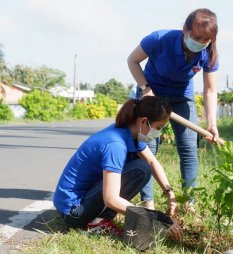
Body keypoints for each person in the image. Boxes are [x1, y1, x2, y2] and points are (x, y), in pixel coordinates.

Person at [53, 96, 183, 241]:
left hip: (82, 199)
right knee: (140, 168)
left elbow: (152, 162)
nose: (158, 133)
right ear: (144, 121)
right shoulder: (115, 144)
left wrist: (169, 193)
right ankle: (95, 222)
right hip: (73, 211)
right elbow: (111, 199)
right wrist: (157, 218)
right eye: (158, 128)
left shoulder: (129, 133)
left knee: (143, 167)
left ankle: (101, 216)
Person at [127, 8, 219, 212]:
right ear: (185, 30)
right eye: (197, 37)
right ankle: (148, 203)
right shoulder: (159, 39)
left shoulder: (208, 53)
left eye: (207, 39)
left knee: (188, 149)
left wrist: (211, 123)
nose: (201, 43)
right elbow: (132, 61)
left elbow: (210, 90)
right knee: (148, 148)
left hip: (181, 98)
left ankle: (189, 204)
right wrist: (146, 89)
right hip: (152, 94)